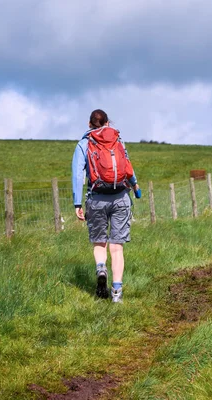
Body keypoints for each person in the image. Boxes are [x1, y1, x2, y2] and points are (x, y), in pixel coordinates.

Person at [72, 109, 140, 303]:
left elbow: (78, 175)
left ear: (89, 124)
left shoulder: (83, 144)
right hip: (120, 197)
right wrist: (135, 185)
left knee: (100, 242)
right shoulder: (117, 140)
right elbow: (127, 165)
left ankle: (101, 268)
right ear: (108, 122)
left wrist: (77, 203)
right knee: (117, 247)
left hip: (97, 199)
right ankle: (117, 293)